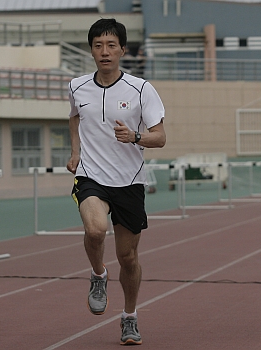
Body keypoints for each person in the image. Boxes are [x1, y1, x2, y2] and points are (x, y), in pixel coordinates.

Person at [66, 18, 166, 345]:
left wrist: (135, 136)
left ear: (123, 49)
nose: (104, 52)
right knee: (94, 230)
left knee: (129, 258)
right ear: (91, 50)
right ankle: (98, 274)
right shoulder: (76, 86)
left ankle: (130, 317)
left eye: (111, 45)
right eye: (98, 45)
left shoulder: (141, 89)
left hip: (130, 181)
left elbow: (160, 137)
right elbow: (74, 117)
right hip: (91, 176)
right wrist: (75, 152)